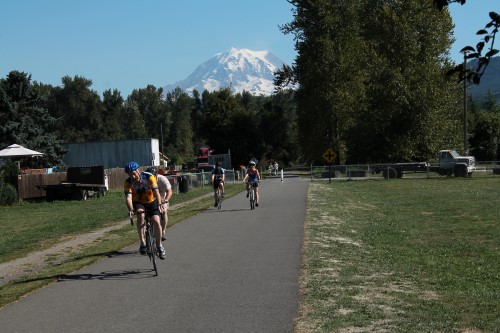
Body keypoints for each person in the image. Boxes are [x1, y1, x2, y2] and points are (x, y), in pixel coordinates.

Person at [124, 161, 166, 260]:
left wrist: (160, 204)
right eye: (130, 175)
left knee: (156, 221)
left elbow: (156, 192)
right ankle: (142, 243)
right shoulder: (128, 182)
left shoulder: (149, 177)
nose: (133, 177)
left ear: (138, 170)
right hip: (138, 202)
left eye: (134, 174)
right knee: (140, 215)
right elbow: (128, 198)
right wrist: (130, 209)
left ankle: (159, 245)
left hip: (151, 201)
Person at [146, 167, 172, 241]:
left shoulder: (162, 179)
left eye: (153, 176)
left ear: (156, 175)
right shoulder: (146, 181)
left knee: (164, 211)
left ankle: (163, 231)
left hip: (162, 199)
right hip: (149, 201)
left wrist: (166, 200)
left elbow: (169, 191)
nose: (151, 178)